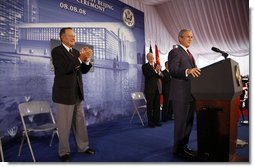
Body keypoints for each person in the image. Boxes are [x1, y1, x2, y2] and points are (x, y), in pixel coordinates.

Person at [52, 27, 95, 162]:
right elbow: (63, 68)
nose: (73, 38)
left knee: (80, 123)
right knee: (64, 126)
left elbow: (83, 70)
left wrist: (86, 60)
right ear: (62, 37)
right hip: (63, 96)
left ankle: (83, 147)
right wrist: (80, 58)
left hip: (77, 94)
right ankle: (64, 152)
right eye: (70, 36)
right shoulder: (57, 51)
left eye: (74, 36)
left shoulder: (76, 52)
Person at [167, 29, 201, 159]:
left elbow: (193, 72)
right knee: (181, 123)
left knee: (188, 123)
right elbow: (173, 70)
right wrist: (188, 70)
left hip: (190, 94)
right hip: (180, 95)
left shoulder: (189, 54)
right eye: (188, 37)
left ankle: (184, 146)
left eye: (192, 37)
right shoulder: (175, 51)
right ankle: (177, 150)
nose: (190, 39)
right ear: (180, 38)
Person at [142, 52, 163, 128]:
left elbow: (161, 76)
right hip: (149, 90)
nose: (152, 58)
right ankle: (150, 123)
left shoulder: (157, 65)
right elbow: (147, 76)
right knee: (150, 107)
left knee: (157, 107)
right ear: (147, 58)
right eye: (150, 57)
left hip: (157, 89)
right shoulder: (145, 66)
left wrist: (159, 71)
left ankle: (156, 121)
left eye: (152, 56)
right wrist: (155, 71)